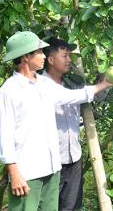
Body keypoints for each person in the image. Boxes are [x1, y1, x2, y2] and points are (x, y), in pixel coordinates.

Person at [0, 31, 113, 211]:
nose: (43, 56)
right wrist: (13, 172)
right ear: (25, 57)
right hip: (27, 172)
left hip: (51, 168)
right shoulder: (9, 91)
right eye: (39, 52)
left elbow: (74, 96)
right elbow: (3, 135)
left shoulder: (44, 85)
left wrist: (105, 83)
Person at [42, 37, 84, 211]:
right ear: (51, 60)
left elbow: (94, 96)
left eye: (69, 56)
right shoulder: (39, 86)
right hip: (50, 160)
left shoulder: (73, 84)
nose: (69, 60)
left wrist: (107, 77)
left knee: (72, 207)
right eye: (64, 56)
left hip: (74, 157)